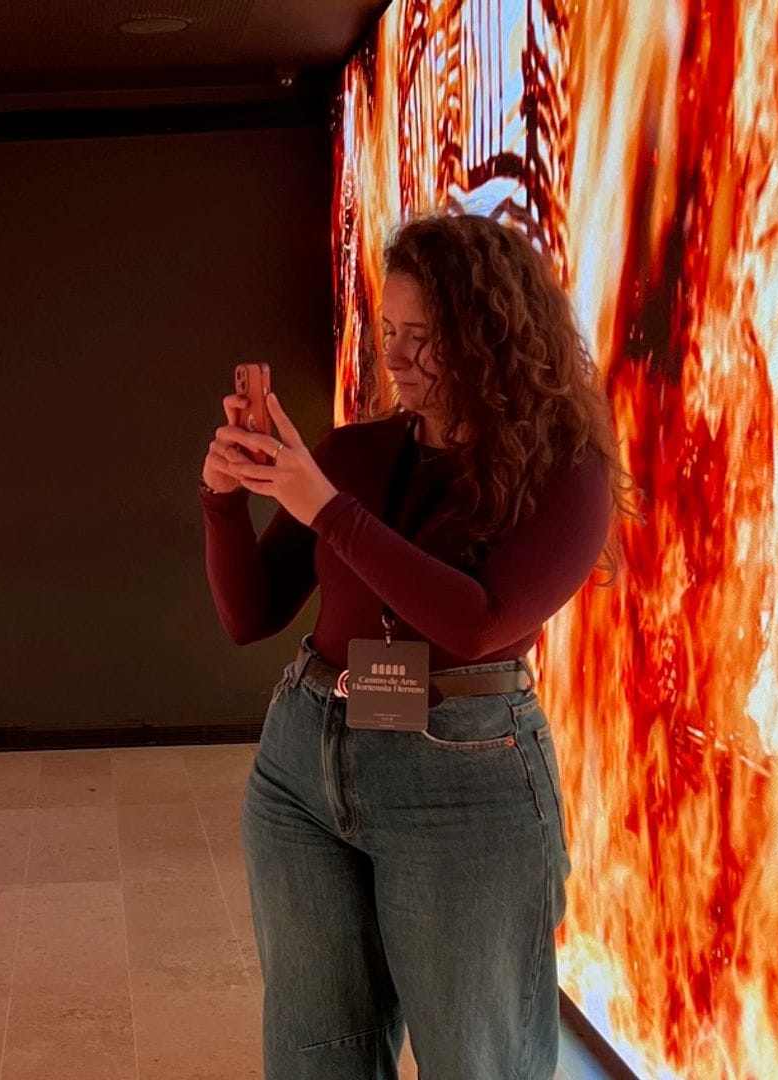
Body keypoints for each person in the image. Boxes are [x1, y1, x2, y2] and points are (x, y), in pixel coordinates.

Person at [198, 212, 629, 1080]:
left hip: (464, 781)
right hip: (304, 769)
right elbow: (251, 615)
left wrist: (326, 507)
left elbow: (477, 622)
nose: (394, 359)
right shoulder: (355, 454)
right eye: (389, 331)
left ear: (493, 336)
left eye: (423, 339)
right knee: (316, 1055)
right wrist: (221, 500)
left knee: (480, 1060)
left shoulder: (568, 475)